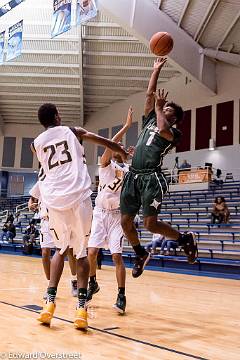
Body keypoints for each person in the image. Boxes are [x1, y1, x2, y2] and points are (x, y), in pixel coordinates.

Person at [32, 102, 127, 329]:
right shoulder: (72, 131)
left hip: (55, 202)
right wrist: (119, 148)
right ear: (56, 116)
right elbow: (101, 141)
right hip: (78, 197)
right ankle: (81, 309)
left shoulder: (35, 144)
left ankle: (49, 302)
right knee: (82, 254)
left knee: (60, 250)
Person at [120, 57, 198, 278]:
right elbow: (149, 96)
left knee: (150, 225)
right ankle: (140, 253)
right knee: (125, 223)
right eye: (165, 107)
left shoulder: (173, 133)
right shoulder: (149, 122)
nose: (165, 108)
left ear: (175, 118)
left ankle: (184, 239)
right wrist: (155, 70)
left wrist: (158, 107)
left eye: (169, 109)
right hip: (133, 177)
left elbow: (163, 128)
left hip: (152, 179)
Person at [87, 106, 133, 314]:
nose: (117, 147)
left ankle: (121, 295)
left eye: (120, 147)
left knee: (116, 256)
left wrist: (132, 155)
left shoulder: (129, 170)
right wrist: (125, 127)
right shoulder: (105, 165)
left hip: (116, 216)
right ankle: (92, 283)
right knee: (91, 251)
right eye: (116, 146)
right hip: (100, 213)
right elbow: (109, 143)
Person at [28, 181, 78, 299]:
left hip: (61, 220)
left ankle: (74, 281)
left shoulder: (63, 178)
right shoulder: (42, 181)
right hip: (46, 221)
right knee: (45, 253)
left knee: (70, 251)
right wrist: (31, 205)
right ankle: (50, 285)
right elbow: (32, 199)